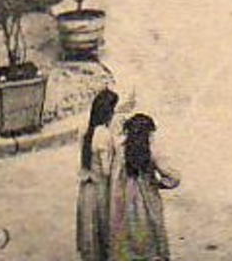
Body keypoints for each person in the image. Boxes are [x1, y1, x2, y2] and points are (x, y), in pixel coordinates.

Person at [110, 113, 180, 261]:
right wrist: (160, 184)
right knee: (151, 236)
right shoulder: (151, 153)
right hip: (148, 199)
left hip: (125, 199)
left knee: (129, 238)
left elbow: (114, 175)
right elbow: (174, 177)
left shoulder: (121, 150)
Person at [76, 88, 120, 261]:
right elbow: (107, 169)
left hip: (86, 186)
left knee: (88, 227)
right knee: (102, 225)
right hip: (100, 188)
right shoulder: (104, 135)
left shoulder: (86, 129)